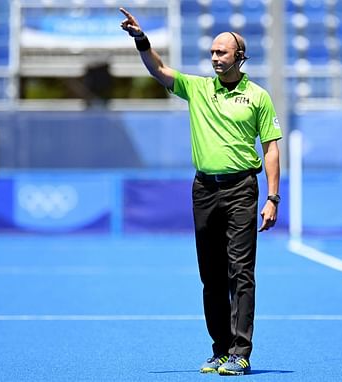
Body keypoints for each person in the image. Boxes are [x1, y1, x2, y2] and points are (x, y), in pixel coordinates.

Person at [120, 7, 282, 376]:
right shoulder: (197, 88)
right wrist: (141, 40)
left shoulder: (258, 96)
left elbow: (271, 147)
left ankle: (241, 352)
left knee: (241, 271)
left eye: (221, 53)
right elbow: (158, 71)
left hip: (242, 188)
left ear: (239, 57)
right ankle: (221, 350)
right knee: (211, 274)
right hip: (204, 189)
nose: (214, 58)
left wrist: (273, 197)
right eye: (211, 52)